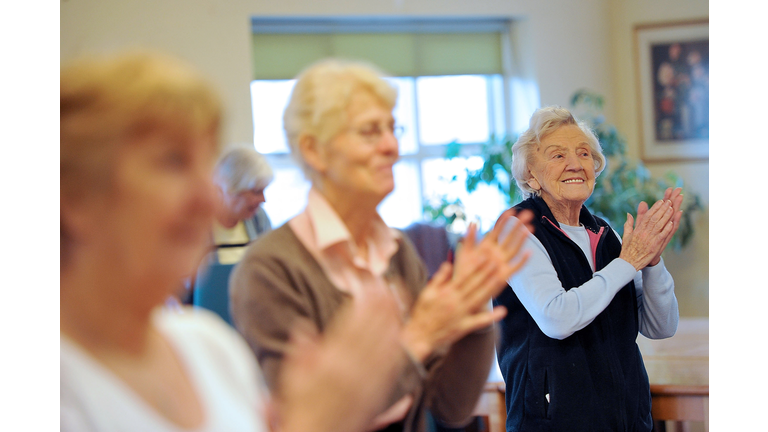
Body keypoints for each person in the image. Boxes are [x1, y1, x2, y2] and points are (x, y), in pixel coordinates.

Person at [60, 50, 421, 432]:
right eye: (173, 162)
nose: (211, 200)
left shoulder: (209, 348)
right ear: (77, 198)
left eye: (206, 162)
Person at [229, 58, 533, 432]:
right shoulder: (270, 268)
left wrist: (471, 314)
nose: (392, 145)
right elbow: (306, 420)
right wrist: (417, 337)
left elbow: (452, 408)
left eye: (393, 128)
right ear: (313, 150)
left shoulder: (397, 251)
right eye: (370, 132)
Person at [492, 106, 682, 431]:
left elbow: (660, 326)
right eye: (557, 155)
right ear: (531, 176)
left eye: (583, 153)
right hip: (553, 422)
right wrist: (628, 262)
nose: (575, 163)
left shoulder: (605, 233)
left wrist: (651, 261)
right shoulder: (515, 229)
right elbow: (557, 317)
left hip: (627, 419)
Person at [211, 145, 274, 264]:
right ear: (230, 190)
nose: (263, 199)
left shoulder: (259, 220)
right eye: (256, 192)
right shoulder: (197, 227)